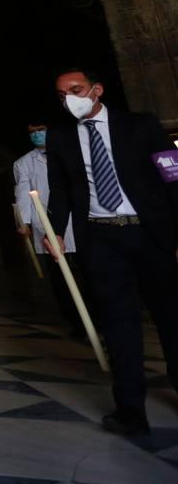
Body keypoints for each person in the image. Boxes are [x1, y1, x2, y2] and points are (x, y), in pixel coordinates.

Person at [44, 68, 178, 436]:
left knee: (171, 318)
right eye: (62, 94)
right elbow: (60, 190)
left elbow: (173, 175)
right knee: (119, 326)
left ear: (96, 90)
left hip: (150, 234)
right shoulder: (59, 137)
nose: (69, 97)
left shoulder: (140, 125)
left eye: (77, 89)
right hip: (101, 239)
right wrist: (54, 231)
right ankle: (130, 410)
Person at [13, 121, 84, 335]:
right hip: (46, 222)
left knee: (86, 271)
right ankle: (74, 321)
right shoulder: (23, 163)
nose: (36, 135)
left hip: (78, 220)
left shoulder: (71, 152)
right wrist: (23, 221)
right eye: (32, 132)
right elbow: (23, 192)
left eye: (40, 130)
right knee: (59, 276)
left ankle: (96, 315)